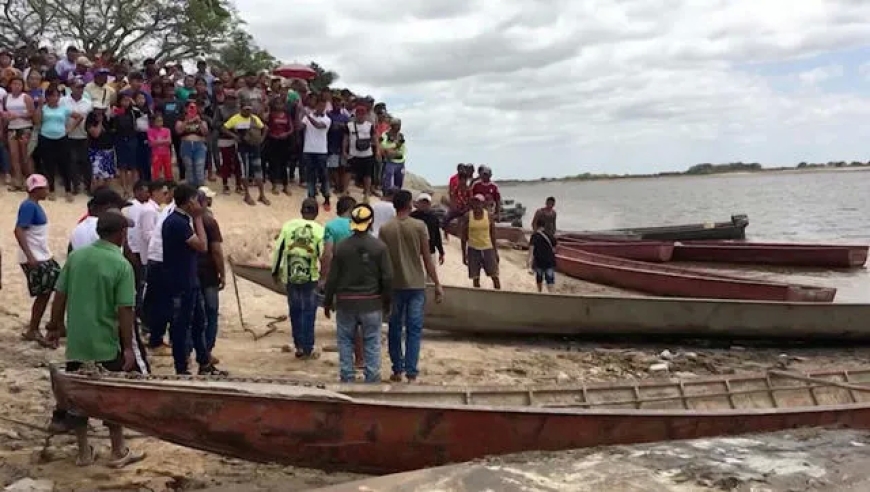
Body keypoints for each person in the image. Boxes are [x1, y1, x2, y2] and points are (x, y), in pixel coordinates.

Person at [45, 211, 146, 468]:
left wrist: (55, 327)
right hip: (106, 342)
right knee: (112, 397)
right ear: (120, 234)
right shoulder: (122, 265)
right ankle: (117, 449)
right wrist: (127, 347)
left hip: (78, 342)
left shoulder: (77, 257)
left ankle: (83, 453)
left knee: (77, 398)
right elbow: (125, 310)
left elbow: (60, 294)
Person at [378, 190, 444, 383]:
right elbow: (426, 257)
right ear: (409, 205)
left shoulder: (385, 228)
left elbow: (382, 260)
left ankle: (397, 369)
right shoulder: (419, 226)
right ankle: (411, 371)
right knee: (414, 329)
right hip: (416, 284)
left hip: (394, 284)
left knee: (395, 327)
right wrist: (437, 283)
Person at [322, 203, 392, 383]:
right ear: (370, 223)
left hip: (345, 303)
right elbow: (387, 278)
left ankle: (347, 377)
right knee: (372, 342)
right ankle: (372, 378)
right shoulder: (379, 247)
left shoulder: (341, 247)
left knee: (345, 342)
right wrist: (387, 302)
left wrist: (328, 302)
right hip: (372, 303)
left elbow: (332, 278)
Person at [162, 184, 226, 375]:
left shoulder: (181, 220)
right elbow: (202, 246)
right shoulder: (178, 222)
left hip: (191, 281)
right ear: (190, 202)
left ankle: (204, 362)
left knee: (199, 323)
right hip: (181, 282)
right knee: (182, 326)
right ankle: (181, 368)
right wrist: (198, 218)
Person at [271, 198, 325, 359]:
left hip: (291, 275)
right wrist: (324, 277)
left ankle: (299, 345)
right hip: (310, 276)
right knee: (309, 311)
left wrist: (275, 272)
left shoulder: (288, 226)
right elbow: (323, 254)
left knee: (295, 310)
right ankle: (308, 346)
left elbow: (278, 249)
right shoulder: (319, 230)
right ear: (316, 212)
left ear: (301, 211)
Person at [14, 174, 59, 346]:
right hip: (35, 257)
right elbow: (19, 230)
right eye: (44, 188)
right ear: (37, 190)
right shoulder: (29, 207)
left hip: (41, 255)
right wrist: (31, 256)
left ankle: (36, 327)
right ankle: (34, 328)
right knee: (44, 292)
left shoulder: (32, 206)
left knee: (47, 291)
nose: (47, 191)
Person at [197, 186, 225, 360]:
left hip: (191, 273)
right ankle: (206, 350)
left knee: (196, 313)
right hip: (208, 273)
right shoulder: (209, 221)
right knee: (211, 311)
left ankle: (195, 349)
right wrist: (222, 272)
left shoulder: (186, 220)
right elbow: (216, 250)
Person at [222, 103, 268, 206]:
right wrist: (234, 136)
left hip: (254, 147)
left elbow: (265, 128)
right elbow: (223, 128)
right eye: (246, 109)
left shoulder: (254, 118)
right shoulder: (236, 118)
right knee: (245, 172)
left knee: (258, 171)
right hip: (243, 148)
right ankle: (247, 195)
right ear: (241, 109)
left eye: (249, 109)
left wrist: (261, 139)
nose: (248, 111)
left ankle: (261, 195)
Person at [460, 194, 501, 290]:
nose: (477, 205)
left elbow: (493, 235)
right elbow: (463, 237)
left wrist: (496, 252)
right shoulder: (467, 216)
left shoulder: (489, 216)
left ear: (483, 203)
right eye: (474, 202)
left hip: (488, 248)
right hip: (473, 249)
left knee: (494, 275)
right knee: (475, 277)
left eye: (479, 202)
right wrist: (463, 253)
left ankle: (499, 295)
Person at [301, 96, 332, 211]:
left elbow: (318, 126)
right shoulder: (307, 116)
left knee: (324, 175)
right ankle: (311, 196)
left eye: (324, 106)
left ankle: (327, 197)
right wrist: (301, 114)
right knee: (310, 175)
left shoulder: (327, 119)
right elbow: (301, 127)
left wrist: (307, 116)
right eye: (320, 105)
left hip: (321, 151)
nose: (322, 108)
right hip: (308, 150)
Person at [344, 105, 378, 198]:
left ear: (365, 115)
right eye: (359, 114)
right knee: (348, 172)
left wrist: (378, 150)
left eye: (363, 114)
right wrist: (344, 151)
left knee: (367, 175)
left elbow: (375, 138)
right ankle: (344, 191)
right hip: (353, 153)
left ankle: (366, 193)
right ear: (356, 115)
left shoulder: (369, 126)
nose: (361, 116)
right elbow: (346, 139)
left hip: (367, 154)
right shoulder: (349, 125)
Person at [176, 100, 209, 187]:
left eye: (194, 107)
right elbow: (178, 131)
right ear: (185, 109)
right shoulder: (181, 119)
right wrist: (186, 121)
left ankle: (200, 190)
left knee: (199, 169)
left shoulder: (202, 119)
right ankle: (191, 191)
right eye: (190, 107)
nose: (191, 109)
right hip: (186, 145)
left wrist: (200, 122)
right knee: (189, 170)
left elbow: (206, 132)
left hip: (199, 146)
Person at [410, 193, 445, 266]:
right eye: (422, 202)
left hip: (430, 251)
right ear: (418, 203)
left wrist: (441, 252)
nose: (424, 205)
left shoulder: (434, 218)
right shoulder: (411, 217)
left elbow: (437, 237)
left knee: (430, 275)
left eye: (426, 203)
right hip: (415, 253)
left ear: (430, 204)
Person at [442, 164, 473, 237]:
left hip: (465, 209)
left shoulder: (469, 190)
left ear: (466, 180)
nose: (463, 181)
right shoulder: (456, 188)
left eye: (464, 180)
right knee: (446, 217)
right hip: (457, 208)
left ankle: (465, 234)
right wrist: (453, 206)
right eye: (461, 179)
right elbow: (452, 196)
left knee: (468, 219)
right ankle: (445, 234)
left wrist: (466, 208)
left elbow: (470, 201)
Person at [528, 217, 557, 293]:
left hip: (539, 262)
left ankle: (540, 293)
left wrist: (529, 265)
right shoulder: (550, 235)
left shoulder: (534, 236)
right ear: (544, 226)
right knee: (550, 281)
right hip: (549, 262)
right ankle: (552, 296)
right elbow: (554, 249)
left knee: (539, 278)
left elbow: (531, 252)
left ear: (537, 225)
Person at [380, 118, 407, 192]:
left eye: (399, 125)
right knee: (387, 181)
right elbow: (383, 146)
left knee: (399, 181)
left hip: (400, 161)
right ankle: (386, 195)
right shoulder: (385, 134)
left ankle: (396, 196)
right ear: (392, 125)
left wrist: (395, 151)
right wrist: (395, 145)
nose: (399, 127)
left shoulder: (401, 135)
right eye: (397, 125)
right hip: (390, 161)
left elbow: (403, 147)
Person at [147, 113, 172, 180]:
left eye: (161, 121)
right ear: (154, 122)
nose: (160, 123)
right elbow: (151, 143)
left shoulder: (167, 130)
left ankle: (169, 184)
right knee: (156, 171)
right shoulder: (150, 131)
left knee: (168, 170)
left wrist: (158, 142)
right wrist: (164, 141)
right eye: (158, 121)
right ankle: (156, 185)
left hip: (166, 153)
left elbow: (169, 141)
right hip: (156, 154)